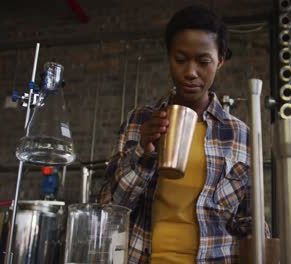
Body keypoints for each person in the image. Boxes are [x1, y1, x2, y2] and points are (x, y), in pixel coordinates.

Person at [99, 5, 262, 263]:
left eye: (203, 61)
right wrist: (143, 151)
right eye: (180, 59)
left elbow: (248, 222)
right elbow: (109, 209)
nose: (190, 72)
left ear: (220, 61)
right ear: (169, 57)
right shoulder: (139, 121)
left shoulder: (240, 134)